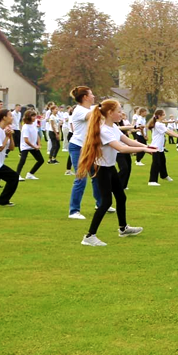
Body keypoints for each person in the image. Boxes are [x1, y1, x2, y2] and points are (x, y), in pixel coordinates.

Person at [77, 100, 156, 246]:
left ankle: (123, 228)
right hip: (102, 169)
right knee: (106, 202)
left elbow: (128, 141)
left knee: (121, 197)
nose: (121, 113)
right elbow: (122, 148)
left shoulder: (113, 127)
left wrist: (147, 146)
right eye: (119, 111)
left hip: (110, 167)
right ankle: (89, 236)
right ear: (109, 113)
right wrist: (144, 150)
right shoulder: (104, 131)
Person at [66, 87, 103, 221]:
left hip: (89, 148)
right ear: (85, 97)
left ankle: (101, 204)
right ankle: (74, 210)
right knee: (81, 178)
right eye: (91, 94)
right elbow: (93, 115)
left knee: (96, 176)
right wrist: (103, 107)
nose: (93, 96)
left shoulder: (89, 108)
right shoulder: (79, 110)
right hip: (77, 147)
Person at [146, 109, 178, 186]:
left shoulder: (159, 123)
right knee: (156, 163)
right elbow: (169, 132)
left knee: (162, 161)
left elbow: (167, 128)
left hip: (160, 147)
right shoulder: (159, 124)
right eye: (163, 115)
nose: (165, 116)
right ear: (159, 116)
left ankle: (164, 175)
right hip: (155, 147)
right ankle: (152, 180)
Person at [15, 109, 44, 180]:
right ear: (28, 117)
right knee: (22, 161)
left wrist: (39, 144)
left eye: (35, 116)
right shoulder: (25, 127)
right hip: (25, 146)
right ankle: (17, 175)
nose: (34, 117)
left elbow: (37, 135)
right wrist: (34, 146)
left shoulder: (33, 124)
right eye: (32, 116)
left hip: (33, 146)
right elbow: (26, 140)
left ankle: (30, 174)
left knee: (41, 160)